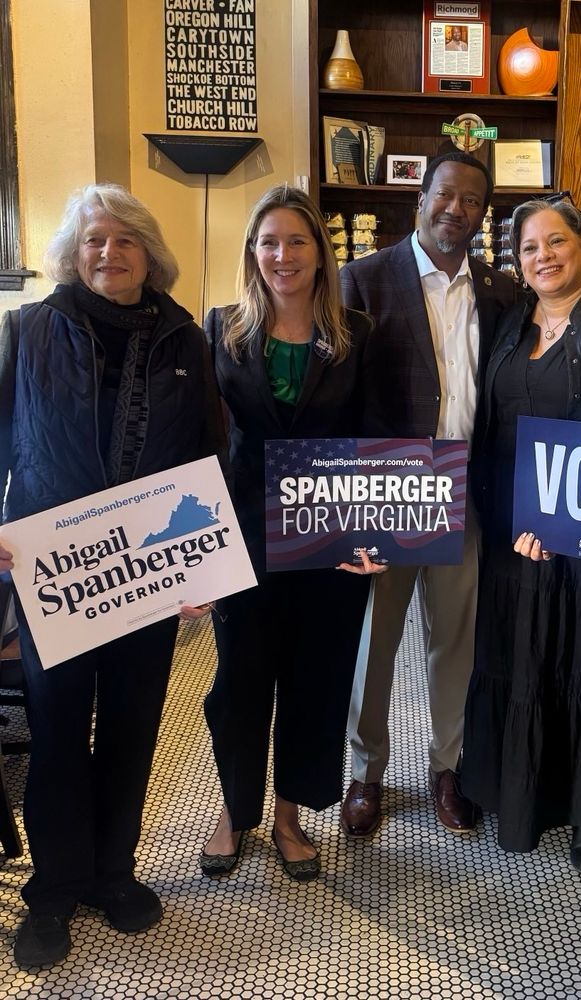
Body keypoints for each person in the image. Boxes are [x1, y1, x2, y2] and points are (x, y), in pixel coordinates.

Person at [0, 184, 226, 969]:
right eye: (95, 239)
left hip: (147, 571)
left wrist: (206, 562)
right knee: (59, 725)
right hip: (55, 570)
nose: (109, 251)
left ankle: (113, 873)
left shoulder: (185, 340)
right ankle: (54, 891)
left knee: (133, 722)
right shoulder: (26, 330)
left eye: (125, 239)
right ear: (74, 251)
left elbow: (207, 459)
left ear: (148, 253)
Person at [199, 185, 385, 882]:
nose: (283, 255)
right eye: (269, 241)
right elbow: (201, 445)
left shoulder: (357, 333)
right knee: (240, 682)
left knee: (317, 681)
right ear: (253, 251)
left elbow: (378, 438)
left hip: (329, 541)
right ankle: (234, 809)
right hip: (242, 538)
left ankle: (288, 814)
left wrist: (376, 537)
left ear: (320, 252)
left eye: (297, 241)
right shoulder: (220, 329)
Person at [338, 152, 517, 837]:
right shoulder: (363, 279)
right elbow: (343, 391)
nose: (457, 210)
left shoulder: (500, 293)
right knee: (373, 642)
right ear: (421, 196)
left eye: (473, 201)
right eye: (447, 195)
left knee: (455, 640)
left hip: (463, 489)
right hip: (386, 487)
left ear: (482, 212)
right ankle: (365, 772)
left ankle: (450, 767)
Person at [462, 197, 581, 870]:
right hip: (511, 527)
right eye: (528, 247)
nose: (542, 256)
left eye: (555, 241)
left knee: (580, 661)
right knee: (512, 652)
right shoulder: (510, 322)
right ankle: (512, 789)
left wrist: (575, 524)